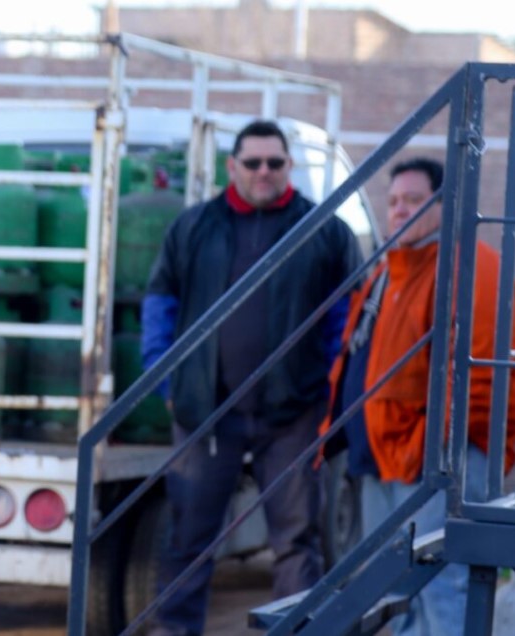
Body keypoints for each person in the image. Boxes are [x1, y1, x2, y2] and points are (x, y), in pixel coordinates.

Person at [141, 119, 362, 635]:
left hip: (294, 412)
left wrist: (328, 386)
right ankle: (177, 631)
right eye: (254, 162)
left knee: (296, 539)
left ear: (289, 167)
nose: (264, 172)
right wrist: (167, 383)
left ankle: (293, 630)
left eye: (276, 163)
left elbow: (346, 316)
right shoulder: (193, 227)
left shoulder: (324, 230)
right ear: (232, 166)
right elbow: (159, 303)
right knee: (188, 539)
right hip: (207, 413)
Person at [320, 157, 515, 635]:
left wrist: (426, 448)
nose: (399, 211)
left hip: (433, 464)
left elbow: (481, 378)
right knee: (397, 592)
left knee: (442, 587)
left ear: (446, 203)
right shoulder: (389, 270)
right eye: (392, 202)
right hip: (383, 460)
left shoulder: (472, 267)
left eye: (413, 200)